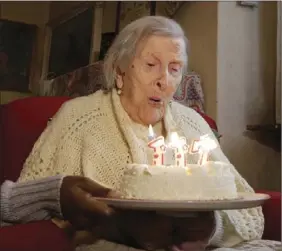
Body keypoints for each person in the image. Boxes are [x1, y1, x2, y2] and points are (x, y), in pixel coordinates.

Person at [10, 16, 281, 251]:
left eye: (174, 69)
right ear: (120, 71)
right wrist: (117, 227)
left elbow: (250, 213)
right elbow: (25, 207)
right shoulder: (77, 118)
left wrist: (211, 228)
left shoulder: (194, 124)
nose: (164, 80)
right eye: (151, 65)